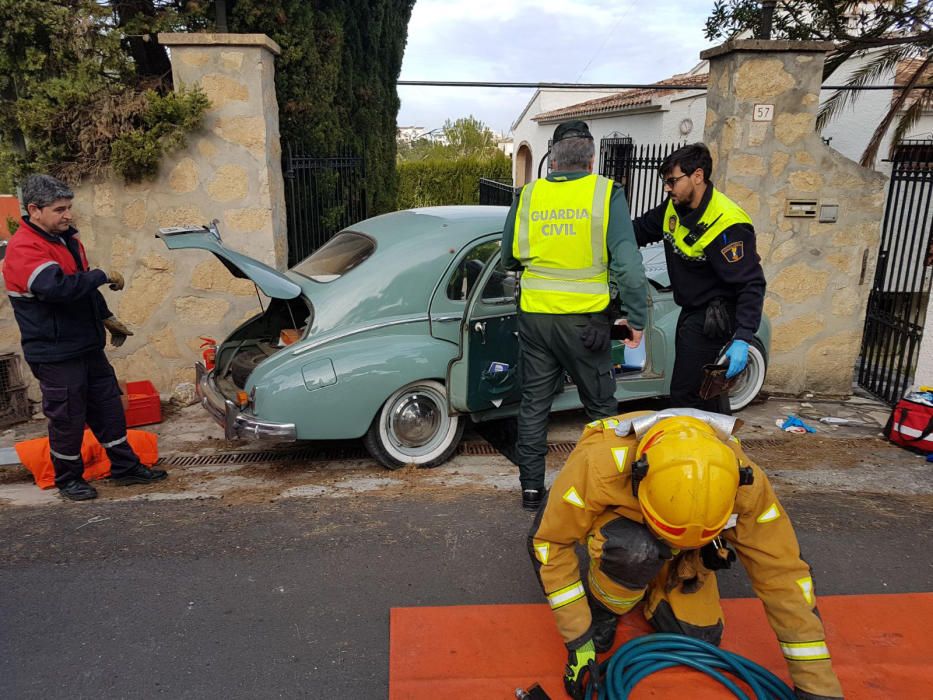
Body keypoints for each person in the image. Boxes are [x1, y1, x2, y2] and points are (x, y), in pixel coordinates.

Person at [528, 410, 843, 700]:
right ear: (639, 481)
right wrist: (579, 640)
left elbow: (782, 572)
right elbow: (549, 544)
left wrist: (816, 686)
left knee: (698, 638)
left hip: (686, 549)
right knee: (635, 552)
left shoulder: (744, 481)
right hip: (626, 532)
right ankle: (605, 606)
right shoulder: (600, 465)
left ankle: (663, 577)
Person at [502, 120, 648, 512]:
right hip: (586, 325)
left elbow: (508, 257)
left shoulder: (528, 195)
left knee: (534, 405)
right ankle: (604, 489)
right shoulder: (605, 193)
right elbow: (630, 268)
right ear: (591, 158)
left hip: (535, 319)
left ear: (552, 159)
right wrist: (636, 319)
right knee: (600, 407)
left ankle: (531, 490)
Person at [3, 174, 167, 501]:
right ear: (34, 210)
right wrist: (101, 275)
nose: (68, 215)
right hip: (55, 353)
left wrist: (106, 317)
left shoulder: (67, 240)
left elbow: (82, 288)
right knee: (67, 418)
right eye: (60, 209)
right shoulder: (24, 249)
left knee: (108, 410)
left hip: (86, 347)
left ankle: (125, 468)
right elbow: (58, 290)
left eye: (69, 208)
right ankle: (68, 480)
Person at [632, 143, 765, 414]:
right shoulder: (672, 208)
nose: (667, 188)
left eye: (672, 181)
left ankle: (689, 450)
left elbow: (751, 283)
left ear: (698, 176)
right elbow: (639, 230)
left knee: (686, 394)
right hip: (692, 309)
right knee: (706, 393)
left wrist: (743, 337)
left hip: (715, 316)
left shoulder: (727, 224)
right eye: (665, 181)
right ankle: (719, 449)